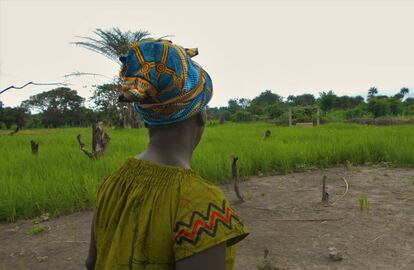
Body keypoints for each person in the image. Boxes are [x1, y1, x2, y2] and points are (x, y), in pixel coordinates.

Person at [85, 39, 249, 270]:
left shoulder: (112, 184)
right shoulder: (202, 204)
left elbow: (92, 262)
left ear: (147, 121)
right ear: (201, 116)